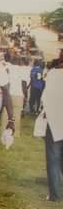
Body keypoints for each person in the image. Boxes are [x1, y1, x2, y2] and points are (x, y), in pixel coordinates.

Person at [41, 61, 63, 201]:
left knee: (53, 158)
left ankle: (54, 195)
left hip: (55, 121)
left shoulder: (54, 74)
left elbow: (45, 98)